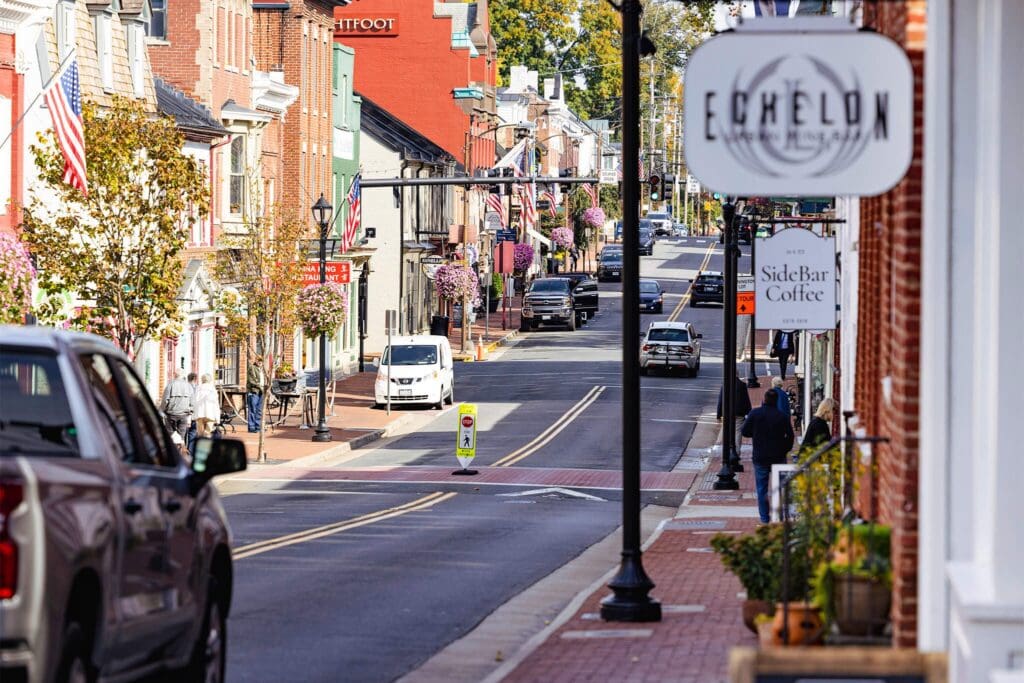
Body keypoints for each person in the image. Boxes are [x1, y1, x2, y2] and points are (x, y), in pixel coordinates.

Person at [741, 389, 795, 524]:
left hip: (760, 456)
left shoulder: (755, 414)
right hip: (778, 456)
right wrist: (785, 449)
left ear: (764, 400)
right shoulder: (782, 416)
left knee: (761, 489)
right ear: (776, 400)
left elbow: (744, 431)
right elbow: (790, 436)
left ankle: (765, 518)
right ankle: (778, 516)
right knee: (780, 487)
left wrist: (756, 434)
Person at [717, 371, 753, 462]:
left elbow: (721, 398)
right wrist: (749, 413)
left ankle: (727, 452)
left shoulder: (725, 384)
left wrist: (719, 413)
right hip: (739, 413)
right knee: (737, 433)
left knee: (727, 433)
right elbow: (746, 400)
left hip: (727, 413)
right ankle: (736, 452)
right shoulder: (742, 385)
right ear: (738, 375)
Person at [161, 370, 193, 444]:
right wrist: (190, 413)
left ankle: (172, 453)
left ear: (174, 375)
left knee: (171, 437)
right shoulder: (188, 386)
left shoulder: (170, 385)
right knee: (181, 438)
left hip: (171, 414)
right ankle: (181, 452)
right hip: (184, 415)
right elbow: (192, 402)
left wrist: (161, 411)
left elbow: (165, 400)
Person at [193, 374, 220, 438]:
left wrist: (193, 415)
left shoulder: (198, 388)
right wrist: (217, 418)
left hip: (199, 414)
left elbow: (194, 402)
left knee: (200, 434)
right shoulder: (212, 389)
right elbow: (216, 404)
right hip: (210, 414)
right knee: (207, 433)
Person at [246, 356, 266, 433]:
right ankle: (251, 427)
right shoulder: (252, 368)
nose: (260, 362)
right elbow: (251, 380)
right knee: (252, 410)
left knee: (259, 410)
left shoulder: (262, 370)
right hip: (254, 391)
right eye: (259, 360)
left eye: (261, 360)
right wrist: (259, 386)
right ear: (256, 361)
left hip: (261, 391)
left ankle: (258, 426)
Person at [185, 372, 199, 450]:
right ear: (195, 379)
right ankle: (190, 450)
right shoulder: (198, 388)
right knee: (192, 432)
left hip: (185, 411)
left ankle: (183, 450)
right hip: (194, 412)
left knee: (184, 432)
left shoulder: (184, 386)